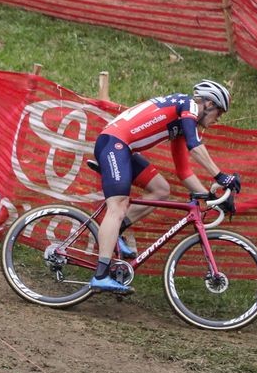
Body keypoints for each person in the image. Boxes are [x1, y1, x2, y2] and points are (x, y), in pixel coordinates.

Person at [89, 80, 241, 294]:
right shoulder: (188, 105)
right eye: (219, 112)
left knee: (161, 189)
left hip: (122, 147)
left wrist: (211, 199)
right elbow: (195, 146)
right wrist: (221, 176)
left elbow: (184, 172)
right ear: (208, 103)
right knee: (118, 205)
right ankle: (100, 276)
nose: (218, 119)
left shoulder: (181, 122)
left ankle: (116, 233)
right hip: (114, 144)